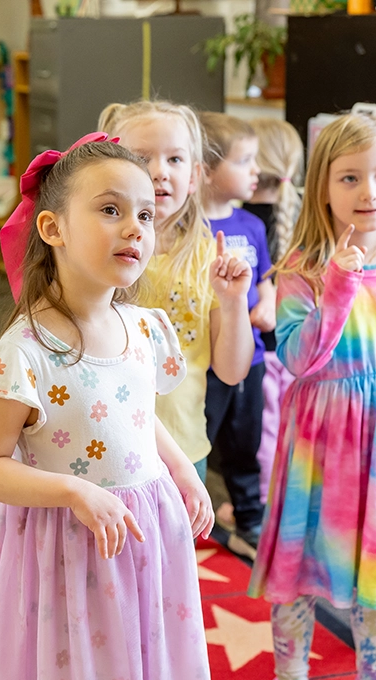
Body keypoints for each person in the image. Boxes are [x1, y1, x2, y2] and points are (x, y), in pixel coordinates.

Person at [0, 136, 214, 680]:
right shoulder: (25, 354)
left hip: (147, 531)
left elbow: (140, 420)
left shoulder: (145, 327)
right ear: (53, 229)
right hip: (70, 545)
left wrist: (180, 469)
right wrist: (75, 491)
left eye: (145, 214)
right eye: (109, 210)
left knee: (150, 655)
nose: (134, 228)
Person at [247, 113, 376, 680]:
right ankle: (290, 675)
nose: (370, 192)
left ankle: (375, 672)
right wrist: (339, 284)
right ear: (322, 187)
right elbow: (300, 359)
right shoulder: (300, 271)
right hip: (316, 454)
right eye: (350, 178)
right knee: (293, 574)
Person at [90, 99, 255, 482]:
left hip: (183, 450)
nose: (160, 172)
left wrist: (233, 304)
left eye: (175, 160)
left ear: (195, 176)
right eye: (141, 157)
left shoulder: (209, 256)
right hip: (103, 446)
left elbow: (231, 373)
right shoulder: (96, 251)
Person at [198, 112, 274, 560]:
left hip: (252, 357)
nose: (256, 172)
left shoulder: (253, 225)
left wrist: (264, 305)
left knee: (246, 442)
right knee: (200, 439)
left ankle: (248, 520)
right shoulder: (188, 230)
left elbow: (265, 282)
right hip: (204, 362)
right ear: (206, 170)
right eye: (244, 161)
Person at [243, 118, 304, 505]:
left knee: (263, 432)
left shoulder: (242, 221)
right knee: (288, 430)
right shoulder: (300, 217)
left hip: (262, 350)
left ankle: (263, 503)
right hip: (296, 351)